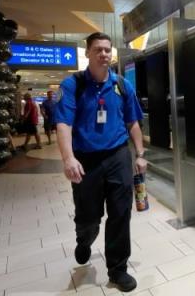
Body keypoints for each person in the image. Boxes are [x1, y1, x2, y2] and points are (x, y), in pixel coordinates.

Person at [55, 32, 146, 293]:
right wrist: (68, 158)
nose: (104, 54)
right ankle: (84, 239)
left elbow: (132, 122)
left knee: (120, 213)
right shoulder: (73, 85)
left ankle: (118, 269)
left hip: (118, 155)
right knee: (89, 217)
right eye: (98, 49)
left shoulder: (121, 85)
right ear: (87, 53)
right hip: (86, 159)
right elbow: (63, 124)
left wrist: (139, 153)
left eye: (107, 50)